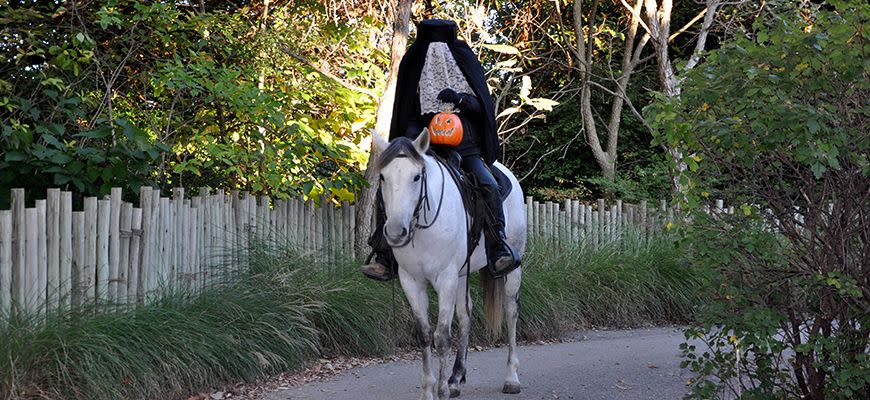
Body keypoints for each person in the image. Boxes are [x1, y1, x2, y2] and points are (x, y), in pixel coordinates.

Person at [362, 19, 517, 281]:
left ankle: (498, 247)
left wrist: (461, 99)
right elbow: (406, 111)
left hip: (465, 146)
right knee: (392, 185)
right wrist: (411, 137)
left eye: (440, 44)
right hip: (425, 148)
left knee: (488, 184)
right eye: (430, 44)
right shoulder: (413, 63)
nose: (435, 51)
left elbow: (483, 108)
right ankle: (384, 255)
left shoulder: (464, 59)